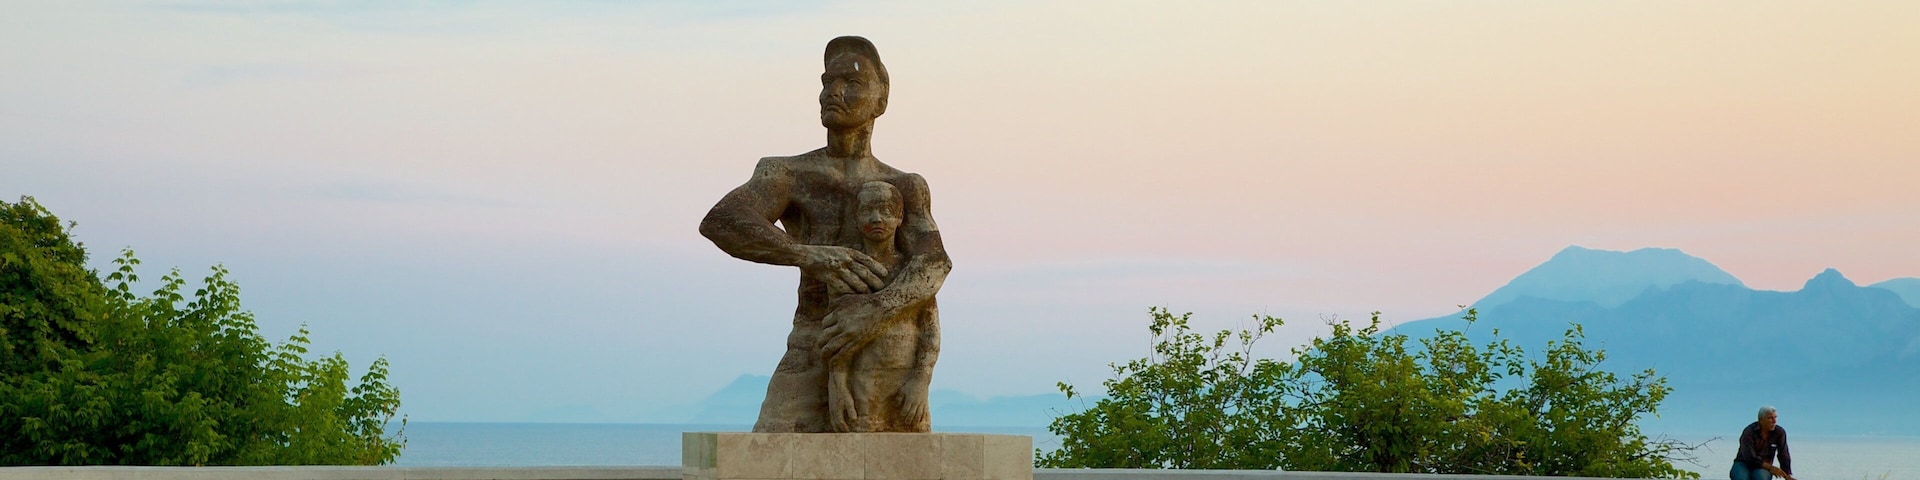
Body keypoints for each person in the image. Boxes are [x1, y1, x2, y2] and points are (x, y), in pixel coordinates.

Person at [699, 36, 951, 433]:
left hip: (889, 353)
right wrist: (812, 254)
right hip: (816, 342)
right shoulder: (786, 173)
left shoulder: (904, 185)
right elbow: (723, 220)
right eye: (827, 81)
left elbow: (934, 263)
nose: (832, 92)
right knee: (771, 455)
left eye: (851, 83)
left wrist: (877, 311)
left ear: (881, 100)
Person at [822, 181, 939, 432]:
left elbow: (930, 330)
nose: (876, 218)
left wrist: (921, 379)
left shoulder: (913, 269)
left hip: (907, 383)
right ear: (856, 217)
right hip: (863, 383)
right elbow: (837, 337)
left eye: (886, 210)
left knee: (914, 457)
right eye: (868, 210)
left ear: (899, 217)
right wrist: (838, 386)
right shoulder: (849, 268)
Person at [1731, 406, 1793, 480]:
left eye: (1775, 417)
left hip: (1763, 466)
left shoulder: (1779, 433)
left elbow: (1783, 454)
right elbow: (1749, 457)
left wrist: (1787, 475)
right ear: (1761, 419)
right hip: (1744, 463)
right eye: (1770, 418)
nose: (1774, 421)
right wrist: (1771, 468)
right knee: (1741, 478)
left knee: (1760, 478)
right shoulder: (1749, 432)